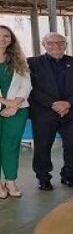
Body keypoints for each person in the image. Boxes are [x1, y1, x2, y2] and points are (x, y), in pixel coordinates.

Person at [27, 32, 73, 190]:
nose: (56, 46)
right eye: (51, 43)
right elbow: (30, 88)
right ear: (44, 44)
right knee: (43, 146)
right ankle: (43, 178)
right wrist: (53, 104)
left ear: (65, 45)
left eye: (60, 42)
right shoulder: (31, 63)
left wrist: (68, 103)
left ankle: (69, 175)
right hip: (44, 112)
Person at [0, 25, 32, 198]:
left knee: (11, 146)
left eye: (6, 36)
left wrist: (15, 104)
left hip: (18, 109)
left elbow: (26, 84)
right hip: (8, 105)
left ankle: (10, 180)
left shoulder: (19, 59)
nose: (3, 39)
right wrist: (6, 103)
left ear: (11, 39)